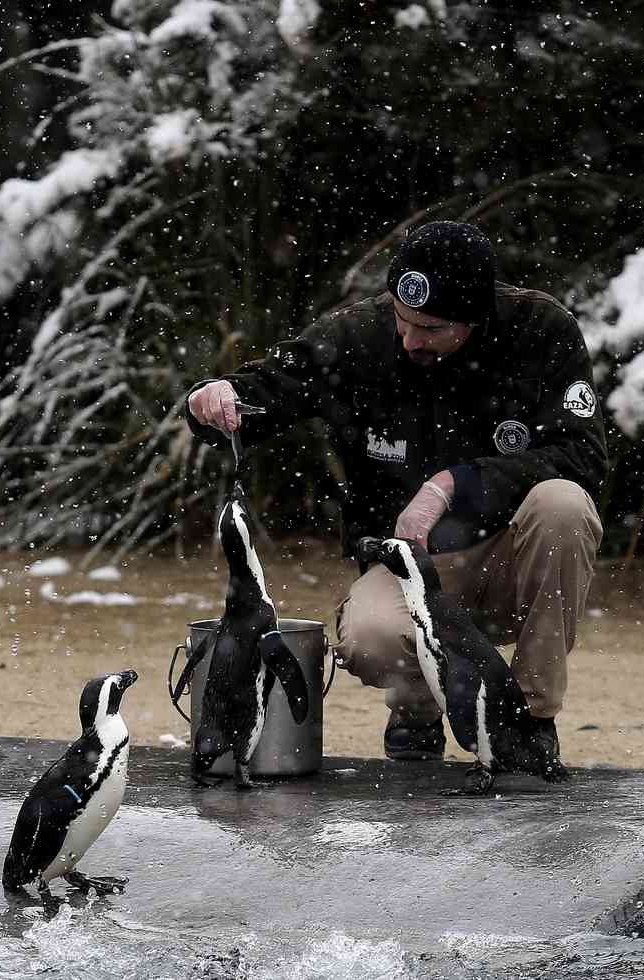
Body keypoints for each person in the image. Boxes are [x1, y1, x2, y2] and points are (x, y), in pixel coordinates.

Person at [183, 220, 605, 761]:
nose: (409, 340)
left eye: (430, 328)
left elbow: (583, 458)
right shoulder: (360, 333)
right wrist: (218, 397)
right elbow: (276, 384)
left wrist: (454, 484)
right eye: (402, 320)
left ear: (473, 318)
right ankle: (417, 708)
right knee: (368, 638)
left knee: (564, 504)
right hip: (408, 567)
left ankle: (527, 721)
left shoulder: (540, 330)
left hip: (511, 559)